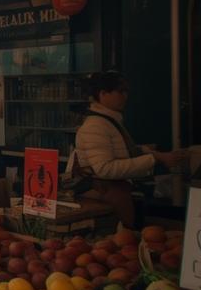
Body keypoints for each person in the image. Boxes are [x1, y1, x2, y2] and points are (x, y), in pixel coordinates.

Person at [74, 71, 186, 228]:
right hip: (109, 195)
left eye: (126, 91)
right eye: (120, 91)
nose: (125, 96)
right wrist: (154, 159)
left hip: (117, 193)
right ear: (103, 94)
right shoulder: (96, 126)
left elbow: (120, 151)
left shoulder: (109, 120)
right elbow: (104, 169)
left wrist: (150, 152)